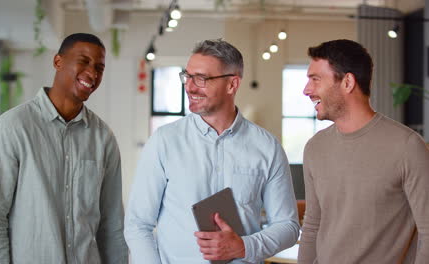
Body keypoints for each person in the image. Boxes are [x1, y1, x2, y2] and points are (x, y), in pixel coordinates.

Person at [124, 39, 300, 264]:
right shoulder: (164, 142)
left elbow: (287, 226)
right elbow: (138, 224)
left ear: (232, 84)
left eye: (201, 78)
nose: (189, 86)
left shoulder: (267, 147)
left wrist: (244, 246)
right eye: (187, 76)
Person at [0, 33, 128, 263]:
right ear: (58, 62)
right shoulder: (11, 128)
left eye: (99, 67)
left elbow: (112, 225)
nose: (93, 73)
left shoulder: (103, 138)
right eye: (84, 61)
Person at [298, 39, 429, 264]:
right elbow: (312, 226)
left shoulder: (407, 146)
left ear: (347, 82)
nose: (306, 90)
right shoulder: (315, 148)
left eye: (315, 79)